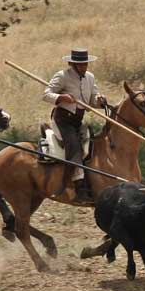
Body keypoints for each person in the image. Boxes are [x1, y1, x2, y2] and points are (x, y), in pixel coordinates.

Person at [42, 48, 107, 201]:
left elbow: (92, 100)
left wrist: (100, 101)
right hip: (62, 121)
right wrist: (61, 97)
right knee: (75, 148)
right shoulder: (62, 76)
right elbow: (46, 94)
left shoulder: (90, 78)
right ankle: (79, 188)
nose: (84, 67)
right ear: (72, 64)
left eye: (85, 64)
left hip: (78, 120)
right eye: (80, 64)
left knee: (93, 145)